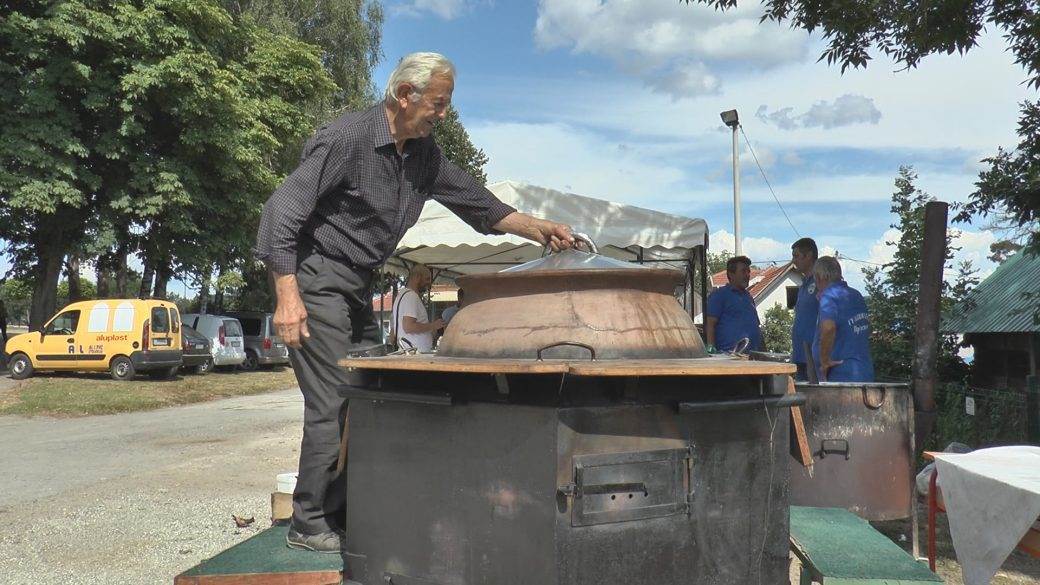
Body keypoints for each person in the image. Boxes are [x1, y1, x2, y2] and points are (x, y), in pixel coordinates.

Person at [254, 52, 573, 553]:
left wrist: (541, 229)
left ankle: (345, 510)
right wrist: (287, 296)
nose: (444, 114)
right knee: (333, 399)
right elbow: (281, 213)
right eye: (439, 103)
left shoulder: (424, 156)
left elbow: (480, 205)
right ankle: (308, 519)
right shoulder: (347, 140)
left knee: (368, 394)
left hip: (358, 284)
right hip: (316, 278)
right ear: (406, 96)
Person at [811, 256, 874, 382]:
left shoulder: (829, 296)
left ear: (820, 276)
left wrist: (824, 361)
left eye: (815, 279)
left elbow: (828, 327)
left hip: (842, 375)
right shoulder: (856, 295)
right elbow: (867, 327)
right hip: (864, 370)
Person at [705, 255, 762, 353]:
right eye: (743, 271)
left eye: (748, 271)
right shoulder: (719, 295)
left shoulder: (748, 297)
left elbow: (757, 326)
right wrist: (711, 351)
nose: (747, 275)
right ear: (731, 274)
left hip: (752, 358)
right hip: (729, 358)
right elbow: (710, 325)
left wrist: (763, 352)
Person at [391, 265, 442, 351]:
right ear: (417, 277)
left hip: (410, 351)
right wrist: (433, 326)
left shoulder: (402, 295)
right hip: (415, 353)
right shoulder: (411, 296)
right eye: (427, 279)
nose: (429, 282)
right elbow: (408, 327)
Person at [790, 237, 819, 380]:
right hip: (799, 355)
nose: (793, 261)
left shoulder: (822, 282)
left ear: (809, 255)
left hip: (815, 358)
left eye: (796, 256)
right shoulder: (803, 285)